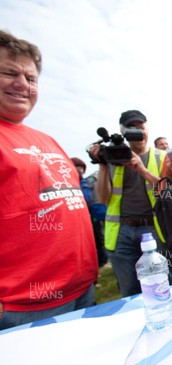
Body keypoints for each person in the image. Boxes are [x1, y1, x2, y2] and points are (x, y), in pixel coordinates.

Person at [0, 30, 97, 330]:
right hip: (24, 306)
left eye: (30, 78)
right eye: (9, 73)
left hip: (81, 291)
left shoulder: (45, 139)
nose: (22, 84)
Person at [91, 110, 171, 297]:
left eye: (140, 127)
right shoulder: (113, 158)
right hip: (122, 232)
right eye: (131, 129)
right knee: (129, 291)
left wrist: (142, 170)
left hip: (154, 229)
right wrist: (103, 165)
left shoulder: (161, 156)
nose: (137, 133)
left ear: (147, 128)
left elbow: (170, 192)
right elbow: (103, 198)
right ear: (123, 132)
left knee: (162, 285)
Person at [71, 157, 108, 267]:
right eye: (76, 167)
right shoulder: (71, 185)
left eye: (81, 167)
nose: (79, 170)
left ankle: (102, 262)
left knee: (100, 239)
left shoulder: (88, 182)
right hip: (81, 218)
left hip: (95, 215)